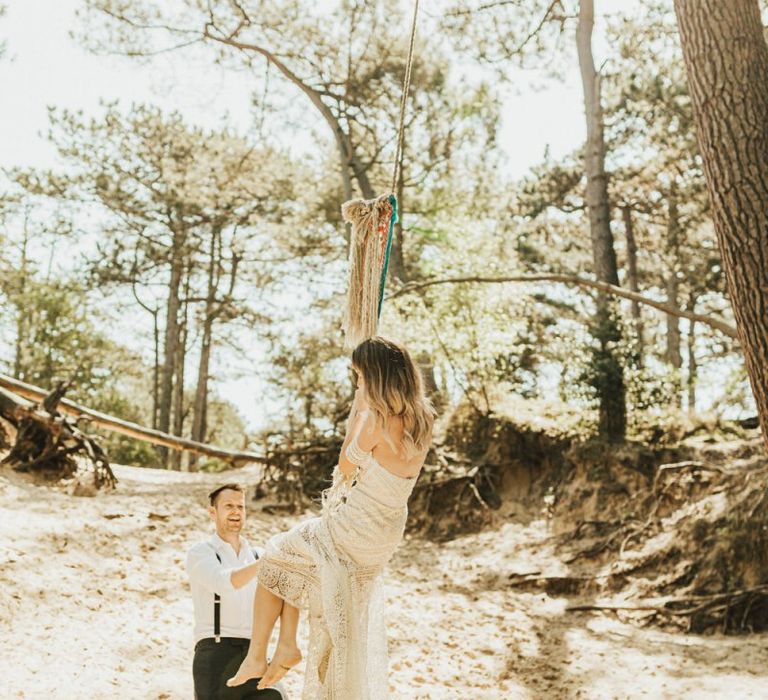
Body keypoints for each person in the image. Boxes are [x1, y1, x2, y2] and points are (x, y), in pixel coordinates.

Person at [227, 336, 435, 699]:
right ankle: (287, 648)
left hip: (355, 526)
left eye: (360, 376)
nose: (357, 383)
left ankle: (261, 653)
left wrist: (358, 411)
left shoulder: (376, 421)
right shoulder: (424, 419)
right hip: (384, 534)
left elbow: (345, 467)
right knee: (321, 590)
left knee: (275, 555)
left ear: (375, 377)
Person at [186, 483, 288, 700]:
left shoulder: (258, 554)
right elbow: (223, 582)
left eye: (240, 506)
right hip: (215, 653)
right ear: (212, 512)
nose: (236, 511)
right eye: (228, 506)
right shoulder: (201, 552)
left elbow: (283, 597)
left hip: (256, 653)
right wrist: (268, 563)